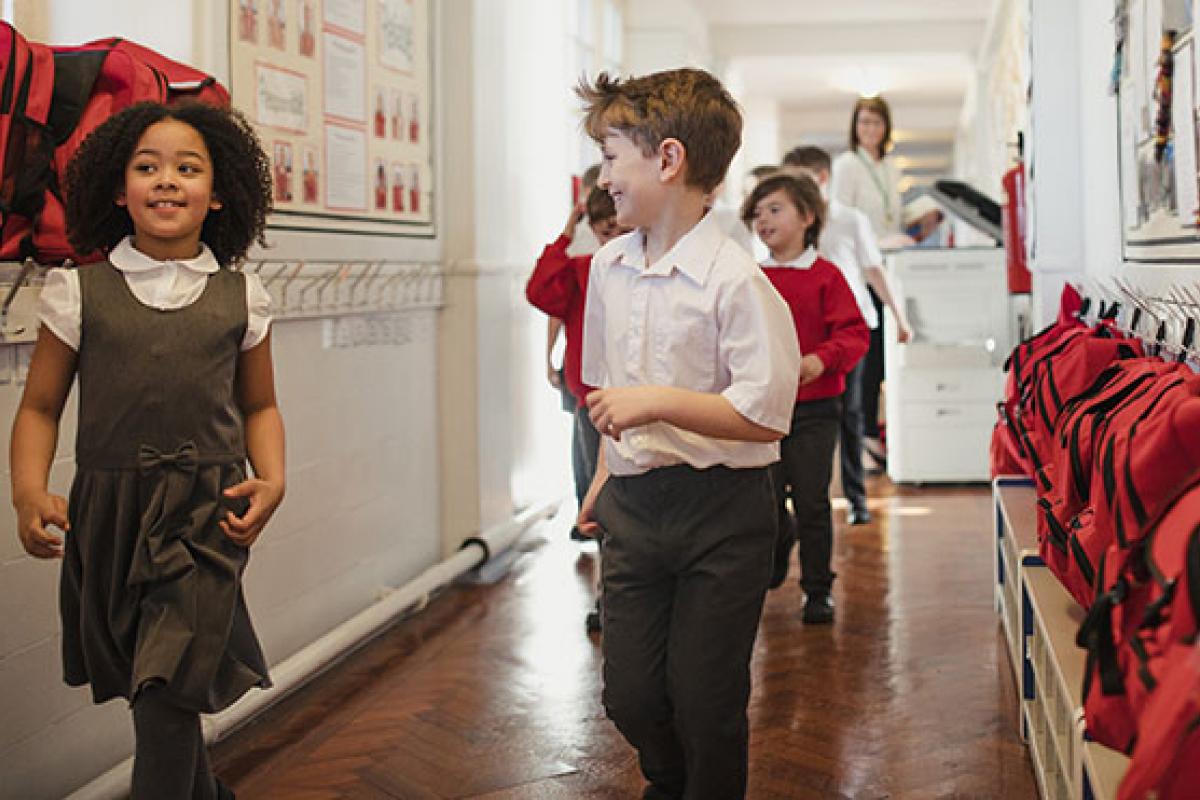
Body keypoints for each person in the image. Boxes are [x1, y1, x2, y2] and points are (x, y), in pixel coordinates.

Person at [10, 101, 284, 800]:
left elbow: (259, 405)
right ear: (116, 187)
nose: (167, 180)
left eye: (187, 168)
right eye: (147, 166)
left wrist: (273, 478)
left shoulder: (241, 296)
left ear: (218, 193)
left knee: (165, 686)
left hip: (205, 517)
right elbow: (40, 407)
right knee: (156, 689)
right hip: (111, 516)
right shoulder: (77, 293)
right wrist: (28, 489)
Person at [576, 68, 800, 800]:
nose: (603, 176)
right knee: (631, 697)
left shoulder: (736, 280)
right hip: (635, 508)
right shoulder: (607, 267)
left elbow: (764, 413)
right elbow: (610, 395)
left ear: (668, 160)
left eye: (613, 157)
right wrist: (603, 481)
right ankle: (668, 782)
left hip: (723, 512)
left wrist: (658, 404)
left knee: (706, 702)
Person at [742, 173, 869, 623]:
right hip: (762, 412)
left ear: (807, 217)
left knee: (813, 500)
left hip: (816, 410)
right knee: (766, 502)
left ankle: (817, 589)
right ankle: (778, 550)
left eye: (774, 209)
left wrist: (821, 360)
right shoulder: (750, 278)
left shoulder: (825, 276)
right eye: (757, 213)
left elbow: (854, 334)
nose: (763, 220)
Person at [781, 145, 912, 524]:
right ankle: (802, 499)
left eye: (800, 180)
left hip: (851, 328)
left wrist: (899, 318)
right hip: (808, 334)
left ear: (821, 179)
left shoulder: (849, 219)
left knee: (850, 414)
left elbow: (873, 269)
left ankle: (856, 500)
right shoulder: (790, 223)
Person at [526, 185, 630, 630]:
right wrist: (565, 235)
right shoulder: (582, 267)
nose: (613, 240)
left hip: (635, 395)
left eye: (619, 231)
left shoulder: (641, 264)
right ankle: (607, 599)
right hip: (591, 396)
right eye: (604, 232)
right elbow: (541, 293)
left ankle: (626, 595)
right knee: (600, 496)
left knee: (632, 499)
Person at [830, 96, 910, 472]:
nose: (869, 130)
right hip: (861, 272)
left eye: (876, 123)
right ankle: (862, 439)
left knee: (881, 363)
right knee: (867, 362)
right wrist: (880, 243)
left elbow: (894, 214)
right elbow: (843, 221)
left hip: (891, 266)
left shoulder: (892, 167)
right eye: (863, 123)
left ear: (886, 127)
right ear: (854, 127)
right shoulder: (847, 165)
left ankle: (874, 435)